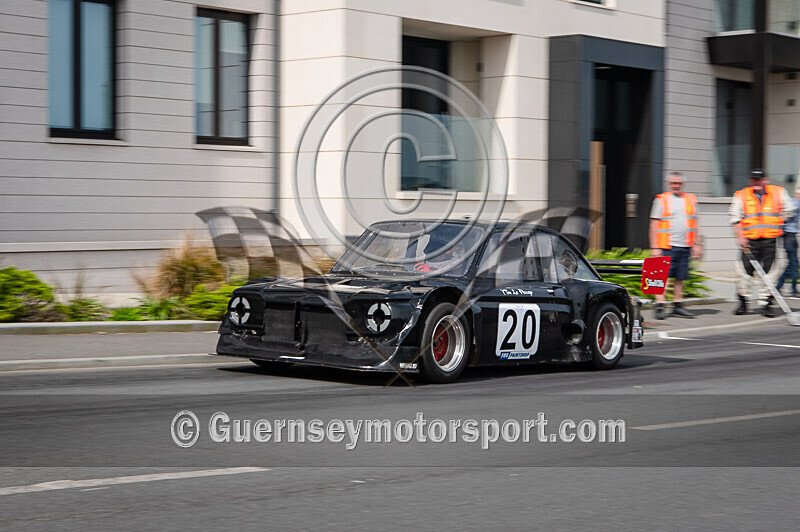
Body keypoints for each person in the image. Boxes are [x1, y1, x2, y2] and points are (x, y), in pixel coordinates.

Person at [729, 169, 796, 316]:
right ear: (750, 181)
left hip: (770, 240)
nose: (756, 182)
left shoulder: (778, 192)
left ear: (765, 180)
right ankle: (743, 302)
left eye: (759, 179)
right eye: (753, 179)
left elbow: (790, 210)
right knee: (743, 271)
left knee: (770, 272)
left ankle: (766, 303)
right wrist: (740, 236)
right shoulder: (741, 195)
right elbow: (735, 217)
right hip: (749, 241)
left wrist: (779, 222)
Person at [649, 171, 703, 319]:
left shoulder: (690, 199)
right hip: (666, 245)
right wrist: (654, 246)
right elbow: (654, 224)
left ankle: (677, 305)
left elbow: (695, 223)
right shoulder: (661, 199)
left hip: (685, 244)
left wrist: (697, 244)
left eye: (678, 183)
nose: (676, 186)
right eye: (673, 183)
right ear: (669, 184)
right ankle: (660, 305)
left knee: (680, 277)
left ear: (682, 184)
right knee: (661, 276)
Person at [776, 189, 800, 296]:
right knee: (793, 263)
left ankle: (782, 286)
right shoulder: (794, 204)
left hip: (790, 235)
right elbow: (783, 218)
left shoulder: (794, 203)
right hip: (789, 236)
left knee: (793, 263)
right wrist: (782, 231)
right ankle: (791, 289)